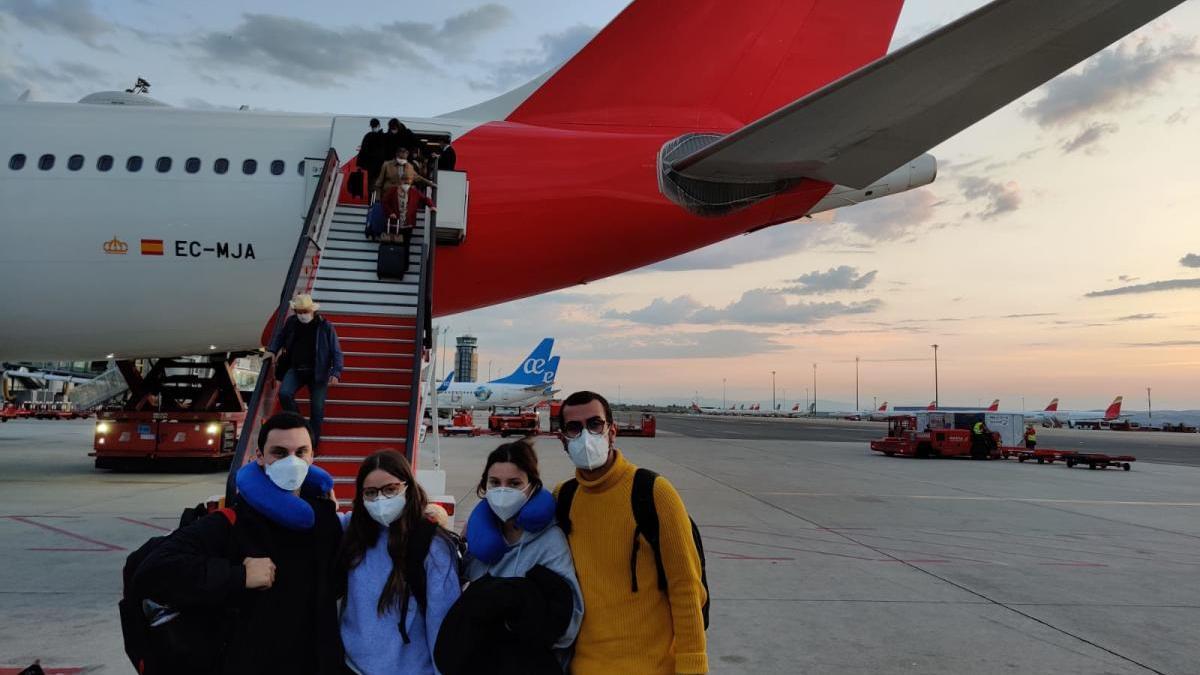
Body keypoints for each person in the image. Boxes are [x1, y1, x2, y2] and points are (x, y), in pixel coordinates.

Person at [132, 412, 344, 674]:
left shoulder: (325, 521)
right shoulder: (230, 522)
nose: (292, 462)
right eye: (279, 452)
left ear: (312, 458)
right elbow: (154, 571)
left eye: (301, 452)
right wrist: (237, 576)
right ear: (260, 457)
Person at [554, 391, 707, 674]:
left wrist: (694, 665)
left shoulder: (653, 492)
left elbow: (686, 589)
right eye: (574, 428)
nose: (585, 435)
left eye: (594, 424)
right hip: (583, 667)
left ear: (612, 432)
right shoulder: (564, 497)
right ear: (562, 439)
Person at [435, 439, 583, 673]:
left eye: (514, 483)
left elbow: (568, 628)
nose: (503, 490)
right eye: (495, 482)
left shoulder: (549, 542)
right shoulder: (479, 538)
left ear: (532, 486)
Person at [338, 449, 461, 675]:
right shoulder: (354, 533)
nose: (380, 499)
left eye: (390, 489)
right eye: (371, 493)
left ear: (408, 487)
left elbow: (443, 623)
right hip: (353, 666)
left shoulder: (432, 547)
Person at [266, 294, 343, 449]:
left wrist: (336, 372)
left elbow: (336, 351)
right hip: (296, 369)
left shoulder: (325, 326)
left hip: (318, 373)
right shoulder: (291, 323)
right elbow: (280, 337)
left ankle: (312, 444)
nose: (301, 315)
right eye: (298, 312)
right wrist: (272, 350)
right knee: (284, 394)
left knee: (317, 409)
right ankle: (300, 424)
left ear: (311, 310)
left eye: (304, 311)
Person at [357, 118, 385, 201]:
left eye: (374, 126)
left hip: (373, 166)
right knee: (376, 186)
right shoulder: (383, 136)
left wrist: (361, 164)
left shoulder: (368, 136)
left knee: (373, 186)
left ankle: (372, 203)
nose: (374, 128)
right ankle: (375, 202)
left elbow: (363, 151)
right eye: (373, 126)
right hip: (378, 166)